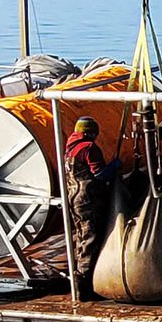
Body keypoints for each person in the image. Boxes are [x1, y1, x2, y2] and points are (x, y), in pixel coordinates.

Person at [63, 114, 117, 286]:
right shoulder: (89, 148)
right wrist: (114, 167)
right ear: (91, 133)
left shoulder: (69, 146)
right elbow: (99, 174)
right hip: (87, 199)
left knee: (81, 235)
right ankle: (84, 281)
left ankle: (77, 272)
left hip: (73, 197)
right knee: (91, 237)